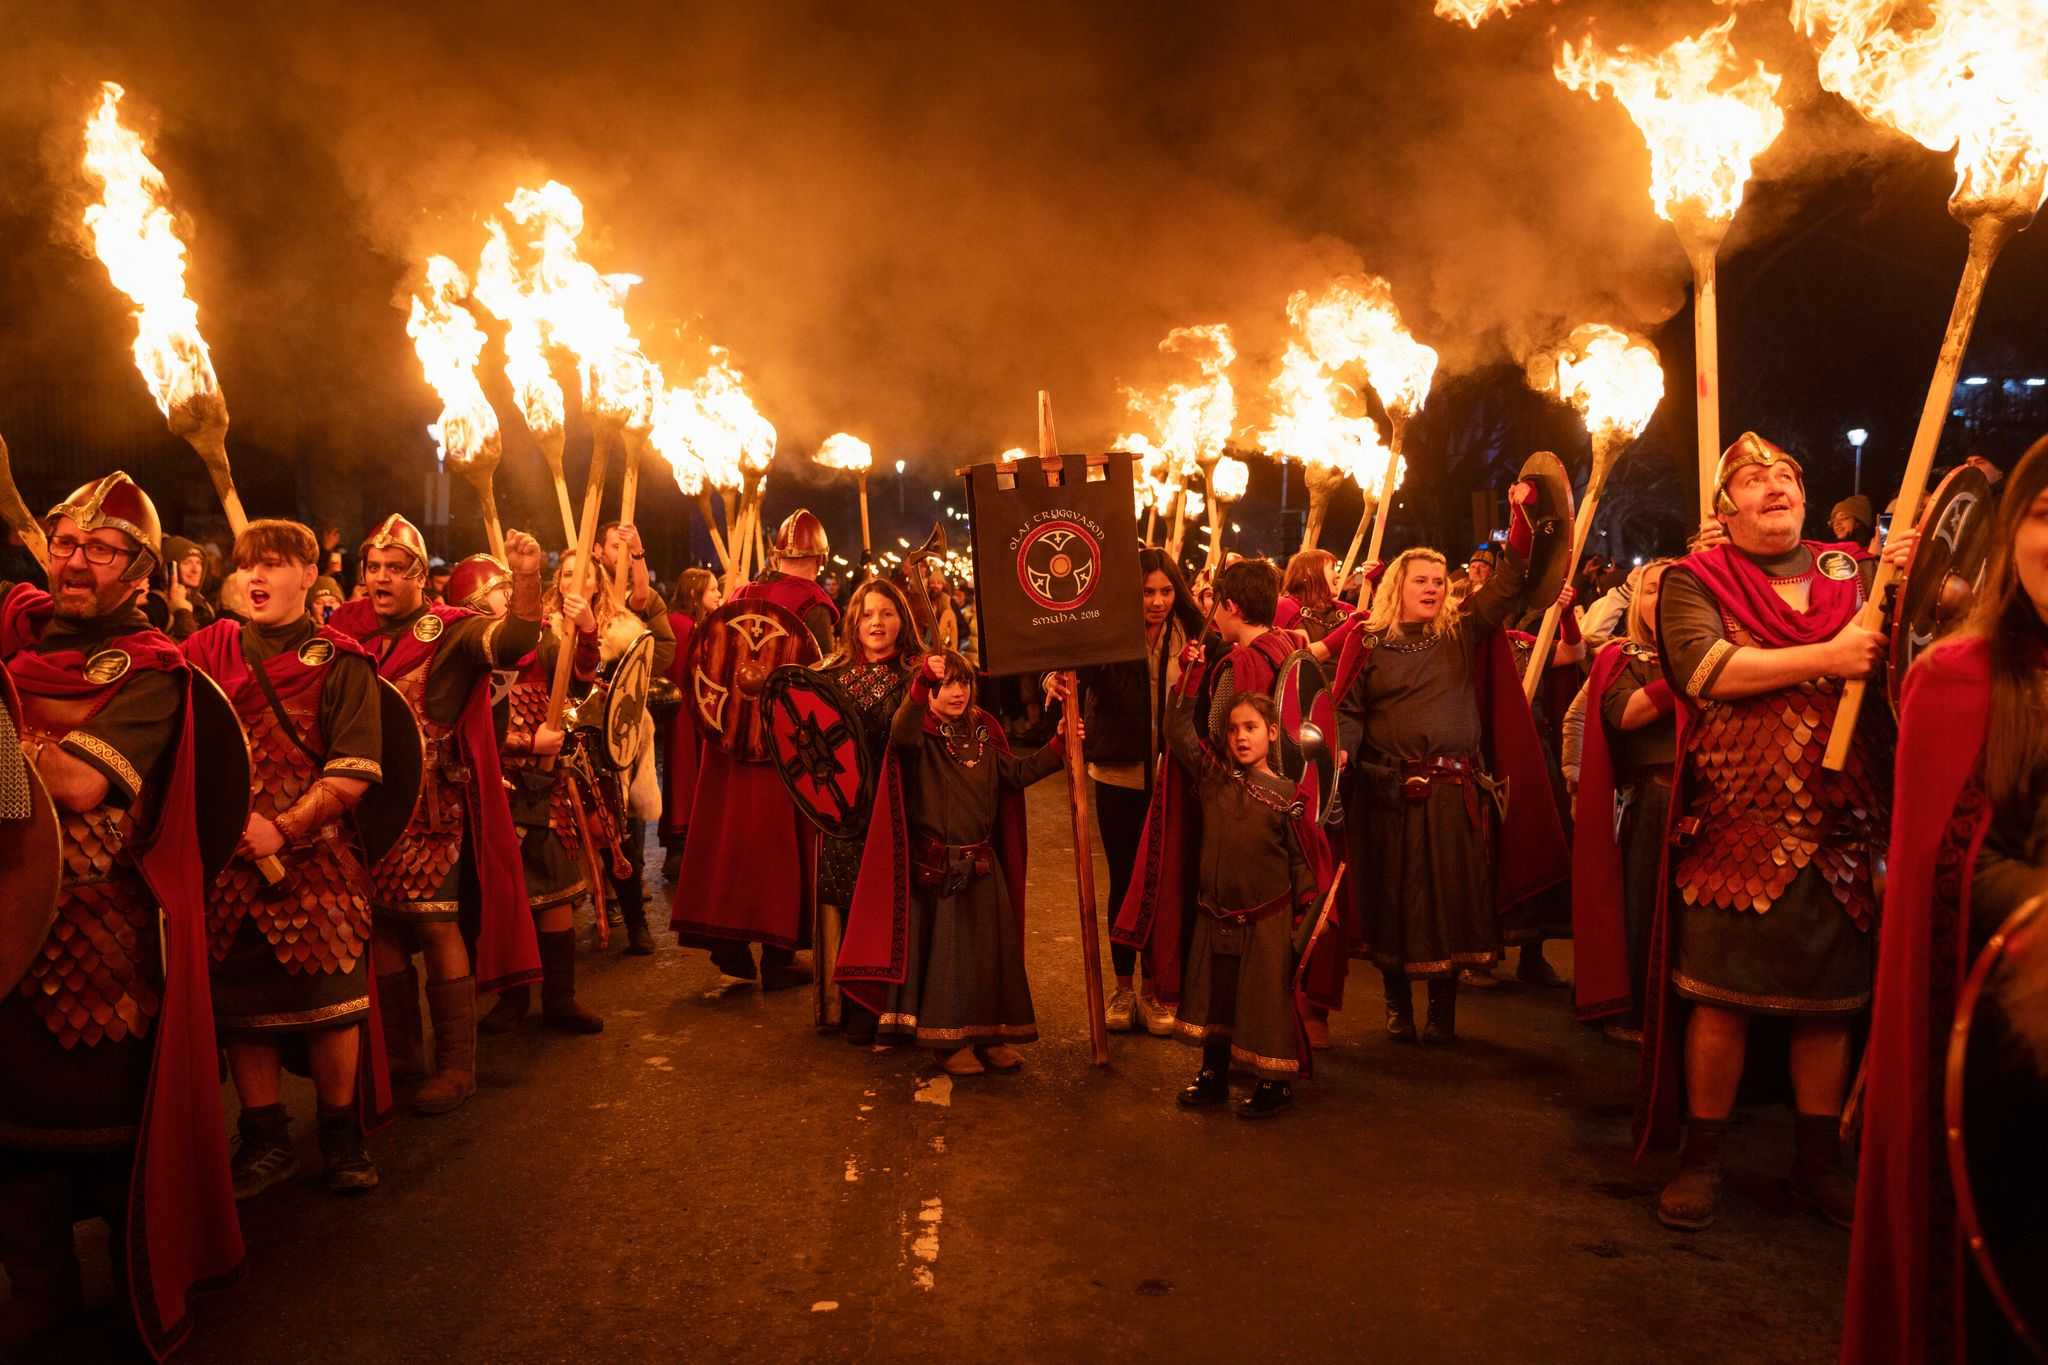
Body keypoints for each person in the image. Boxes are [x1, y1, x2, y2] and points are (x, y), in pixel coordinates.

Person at [1638, 433, 1906, 1232]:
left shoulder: (1858, 573)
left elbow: (1931, 630)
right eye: (1752, 480)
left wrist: (1921, 569)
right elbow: (1706, 669)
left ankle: (1817, 1165)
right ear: (1725, 510)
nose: (1774, 486)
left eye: (1786, 474)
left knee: (1827, 1007)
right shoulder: (1699, 579)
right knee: (1722, 1004)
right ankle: (1703, 1159)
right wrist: (1829, 654)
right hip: (1740, 826)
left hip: (1841, 824)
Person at [0, 473, 242, 1356]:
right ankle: (38, 1292)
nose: (75, 560)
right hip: (5, 918)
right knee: (12, 1131)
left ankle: (130, 1288)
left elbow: (79, 783)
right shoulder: (21, 641)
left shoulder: (151, 668)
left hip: (98, 946)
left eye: (101, 549)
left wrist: (11, 735)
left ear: (140, 572)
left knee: (102, 1134)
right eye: (66, 542)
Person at [1843, 435, 2048, 1364]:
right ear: (2012, 535)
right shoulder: (1958, 681)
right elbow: (1941, 873)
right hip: (2009, 1071)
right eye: (2046, 515)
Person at [181, 518, 389, 1198]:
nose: (257, 578)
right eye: (247, 567)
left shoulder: (341, 660)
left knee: (329, 1001)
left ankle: (338, 1134)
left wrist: (286, 828)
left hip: (318, 864)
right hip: (230, 864)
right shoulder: (210, 650)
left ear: (310, 574)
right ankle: (266, 1136)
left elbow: (354, 771)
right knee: (245, 1009)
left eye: (272, 565)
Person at [1333, 479, 1568, 1044]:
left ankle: (1442, 1011)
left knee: (1450, 906)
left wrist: (1522, 513)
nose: (1433, 589)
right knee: (1391, 903)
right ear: (1399, 586)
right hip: (1386, 794)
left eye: (1440, 581)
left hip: (1450, 795)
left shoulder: (1463, 632)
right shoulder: (1368, 643)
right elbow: (1349, 709)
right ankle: (1397, 1006)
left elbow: (1510, 582)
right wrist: (1342, 747)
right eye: (1422, 581)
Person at [328, 515, 543, 1116]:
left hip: (431, 810)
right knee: (385, 930)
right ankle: (403, 1056)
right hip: (365, 809)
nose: (381, 578)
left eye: (396, 568)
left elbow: (517, 641)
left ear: (421, 577)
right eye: (373, 567)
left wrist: (528, 581)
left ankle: (456, 1066)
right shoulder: (347, 632)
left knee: (433, 923)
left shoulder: (451, 633)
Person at [835, 650, 1072, 1074]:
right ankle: (949, 1044)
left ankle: (990, 1036)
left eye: (963, 683)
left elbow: (1015, 777)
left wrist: (1060, 743)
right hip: (938, 871)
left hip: (983, 864)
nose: (957, 691)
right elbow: (900, 730)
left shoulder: (986, 729)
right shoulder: (918, 731)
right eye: (947, 684)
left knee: (988, 955)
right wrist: (922, 681)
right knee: (950, 957)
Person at [1113, 559, 1301, 1031]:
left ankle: (1229, 1032)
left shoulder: (1239, 662)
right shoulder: (1288, 647)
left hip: (1239, 804)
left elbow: (1217, 735)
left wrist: (1189, 689)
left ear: (1231, 606)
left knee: (1228, 921)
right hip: (1280, 799)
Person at [672, 510, 839, 987]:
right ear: (819, 558)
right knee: (776, 848)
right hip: (781, 745)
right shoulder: (815, 605)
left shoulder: (742, 595)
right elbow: (820, 679)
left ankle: (728, 941)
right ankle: (777, 953)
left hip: (729, 742)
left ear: (778, 555)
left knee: (730, 839)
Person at [451, 552, 607, 1037]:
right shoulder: (462, 654)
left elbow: (580, 672)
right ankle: (511, 997)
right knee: (502, 895)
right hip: (489, 785)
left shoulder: (541, 644)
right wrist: (524, 741)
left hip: (545, 785)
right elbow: (464, 728)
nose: (510, 599)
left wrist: (586, 629)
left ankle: (560, 999)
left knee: (555, 889)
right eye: (500, 592)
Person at [1163, 668, 1328, 1120]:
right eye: (1233, 729)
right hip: (1215, 914)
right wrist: (1189, 676)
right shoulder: (1213, 778)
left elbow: (1302, 861)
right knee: (1216, 998)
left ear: (1272, 732)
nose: (1240, 736)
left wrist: (1306, 913)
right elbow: (1177, 729)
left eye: (1251, 728)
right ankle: (1213, 1074)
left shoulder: (1285, 795)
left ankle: (1274, 1083)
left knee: (1263, 1004)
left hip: (1267, 919)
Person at [1083, 548, 1200, 1035]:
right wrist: (1053, 680)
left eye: (1165, 591)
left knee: (1166, 879)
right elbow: (1072, 671)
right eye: (1147, 592)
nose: (1156, 601)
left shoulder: (1191, 636)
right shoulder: (1106, 633)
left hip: (1173, 776)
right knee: (1126, 877)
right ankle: (1124, 986)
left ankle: (1158, 986)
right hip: (1120, 775)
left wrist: (1201, 667)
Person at [813, 577, 926, 1041]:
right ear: (853, 623)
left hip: (899, 809)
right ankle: (847, 1005)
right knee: (844, 903)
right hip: (843, 816)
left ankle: (895, 1008)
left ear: (903, 620)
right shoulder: (827, 676)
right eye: (867, 614)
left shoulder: (918, 676)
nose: (877, 623)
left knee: (893, 909)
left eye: (887, 613)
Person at [1571, 560, 1676, 1042]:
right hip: (1653, 798)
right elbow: (1628, 714)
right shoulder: (1621, 654)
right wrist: (1689, 672)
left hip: (1714, 794)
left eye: (1678, 589)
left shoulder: (1720, 650)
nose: (1666, 598)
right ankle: (1637, 1010)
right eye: (1654, 589)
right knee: (1646, 908)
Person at [593, 523, 678, 956]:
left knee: (624, 830)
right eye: (613, 547)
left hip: (620, 732)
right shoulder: (561, 617)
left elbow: (641, 600)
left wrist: (638, 554)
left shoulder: (624, 612)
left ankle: (636, 922)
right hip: (577, 736)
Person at [659, 567, 721, 883]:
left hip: (698, 710)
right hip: (683, 710)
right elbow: (686, 671)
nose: (719, 596)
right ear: (696, 594)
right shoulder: (680, 625)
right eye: (713, 591)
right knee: (682, 773)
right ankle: (679, 847)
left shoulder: (700, 624)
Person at [1276, 548, 1345, 642]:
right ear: (1310, 572)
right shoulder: (1286, 607)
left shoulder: (1343, 611)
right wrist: (1347, 628)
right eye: (1332, 568)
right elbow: (1304, 654)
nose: (1338, 575)